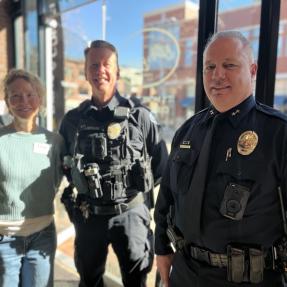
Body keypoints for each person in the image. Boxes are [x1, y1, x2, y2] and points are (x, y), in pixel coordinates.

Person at [154, 30, 287, 287]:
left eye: (229, 65)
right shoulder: (187, 130)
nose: (217, 75)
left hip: (249, 280)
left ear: (253, 70)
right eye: (210, 67)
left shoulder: (278, 134)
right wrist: (161, 247)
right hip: (185, 273)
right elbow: (167, 197)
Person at [59, 40, 168, 287]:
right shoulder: (72, 121)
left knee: (135, 281)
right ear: (86, 72)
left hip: (131, 215)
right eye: (93, 65)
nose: (100, 71)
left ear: (117, 72)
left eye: (106, 64)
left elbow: (161, 168)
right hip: (89, 216)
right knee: (89, 280)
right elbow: (65, 165)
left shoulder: (140, 116)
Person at [0, 69, 64, 287]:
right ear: (7, 102)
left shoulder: (54, 141)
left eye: (29, 94)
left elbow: (56, 181)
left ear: (40, 98)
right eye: (15, 96)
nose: (23, 101)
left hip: (42, 237)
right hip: (4, 238)